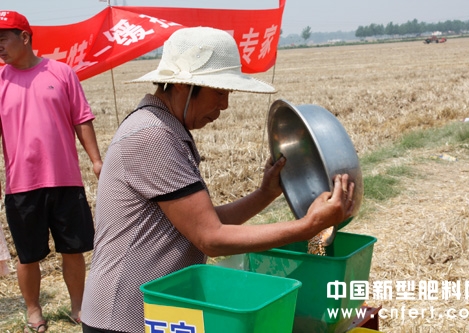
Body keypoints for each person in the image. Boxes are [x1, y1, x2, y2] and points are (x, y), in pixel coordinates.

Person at [81, 26, 355, 333]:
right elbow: (210, 238)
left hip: (155, 312)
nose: (224, 106)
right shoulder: (153, 136)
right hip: (123, 316)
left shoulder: (163, 127)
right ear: (183, 86)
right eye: (219, 92)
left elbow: (202, 222)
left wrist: (265, 193)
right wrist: (308, 226)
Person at [0, 11, 103, 332]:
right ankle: (33, 310)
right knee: (28, 256)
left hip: (66, 180)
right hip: (21, 186)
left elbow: (81, 118)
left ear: (25, 37)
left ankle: (78, 306)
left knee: (73, 249)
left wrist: (97, 161)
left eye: (2, 38)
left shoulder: (61, 73)